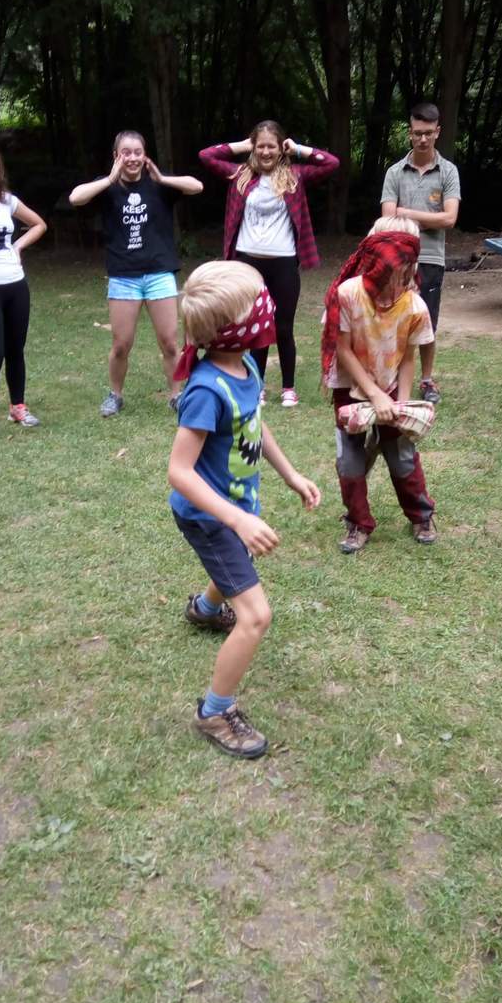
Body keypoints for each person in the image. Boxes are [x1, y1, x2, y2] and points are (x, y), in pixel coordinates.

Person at [168, 260, 320, 759]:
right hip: (209, 516)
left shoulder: (247, 366)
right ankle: (214, 711)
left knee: (241, 561)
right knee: (255, 616)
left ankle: (206, 608)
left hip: (234, 508)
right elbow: (179, 472)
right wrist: (236, 518)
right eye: (257, 304)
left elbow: (253, 421)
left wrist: (290, 474)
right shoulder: (206, 389)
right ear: (233, 329)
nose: (266, 307)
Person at [199, 121, 339, 407]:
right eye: (260, 146)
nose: (265, 152)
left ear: (280, 148)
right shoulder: (240, 174)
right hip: (247, 264)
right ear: (254, 147)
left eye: (271, 146)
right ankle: (258, 386)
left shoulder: (294, 176)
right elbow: (206, 156)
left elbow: (331, 163)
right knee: (255, 327)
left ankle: (288, 388)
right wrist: (242, 146)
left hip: (283, 263)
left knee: (283, 327)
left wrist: (298, 149)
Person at [321, 217, 437, 554]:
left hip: (392, 388)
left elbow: (408, 358)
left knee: (402, 457)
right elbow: (342, 349)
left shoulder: (414, 306)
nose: (391, 281)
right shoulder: (348, 294)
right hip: (349, 387)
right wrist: (373, 394)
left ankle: (421, 515)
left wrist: (400, 406)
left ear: (410, 265)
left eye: (399, 271)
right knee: (350, 461)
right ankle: (358, 522)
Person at [69, 130, 203, 417]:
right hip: (124, 276)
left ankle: (176, 395)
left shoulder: (158, 184)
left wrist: (163, 178)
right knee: (121, 345)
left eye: (137, 152)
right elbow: (75, 198)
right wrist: (108, 179)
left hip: (159, 274)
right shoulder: (108, 187)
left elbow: (197, 186)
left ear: (145, 155)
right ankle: (115, 395)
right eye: (126, 152)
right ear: (116, 156)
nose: (132, 158)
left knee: (170, 343)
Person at [380, 102, 460, 405]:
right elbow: (387, 220)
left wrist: (406, 213)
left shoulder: (448, 171)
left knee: (427, 323)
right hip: (397, 260)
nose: (422, 139)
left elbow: (449, 219)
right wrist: (428, 218)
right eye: (417, 133)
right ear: (409, 133)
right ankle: (390, 377)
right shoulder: (394, 172)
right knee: (393, 321)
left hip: (431, 259)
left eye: (428, 133)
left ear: (437, 132)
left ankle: (426, 380)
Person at [0, 150, 47, 427]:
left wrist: (18, 245)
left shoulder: (7, 201)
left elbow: (39, 224)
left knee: (15, 348)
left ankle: (18, 407)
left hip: (15, 284)